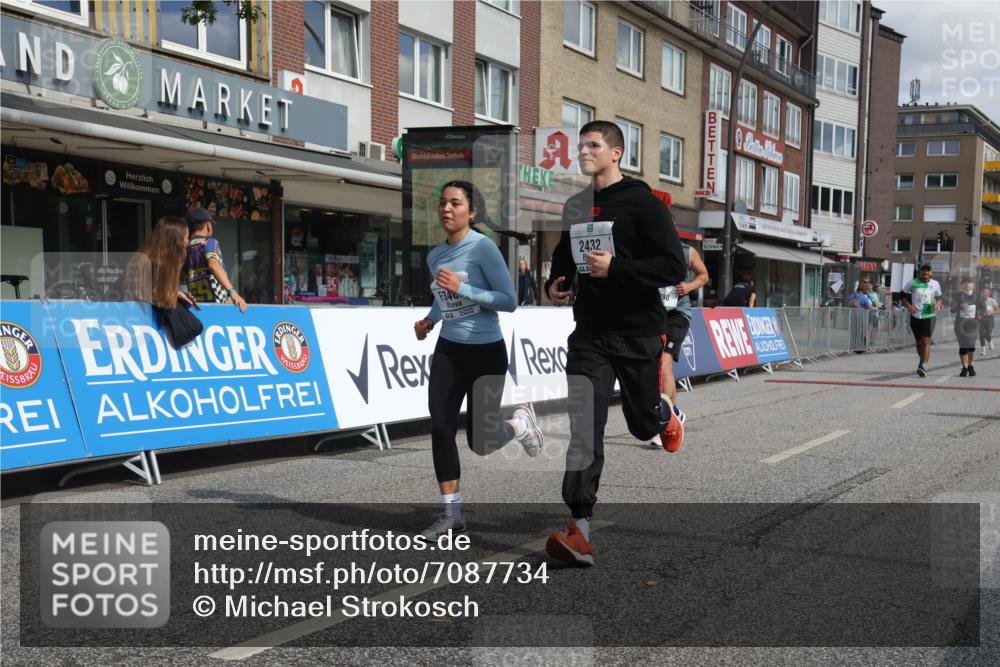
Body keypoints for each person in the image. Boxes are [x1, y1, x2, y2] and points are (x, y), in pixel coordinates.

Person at [543, 120, 686, 566]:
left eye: (593, 145)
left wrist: (617, 269)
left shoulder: (645, 205)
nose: (584, 151)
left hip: (638, 331)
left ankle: (663, 411)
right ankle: (579, 529)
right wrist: (555, 283)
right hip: (589, 333)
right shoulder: (575, 205)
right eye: (581, 145)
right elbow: (563, 259)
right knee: (585, 426)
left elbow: (672, 267)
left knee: (642, 425)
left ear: (616, 153)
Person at [413, 181, 543, 539]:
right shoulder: (434, 256)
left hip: (486, 351)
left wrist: (463, 287)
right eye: (442, 203)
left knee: (480, 441)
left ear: (471, 212)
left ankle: (520, 425)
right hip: (449, 349)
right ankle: (452, 514)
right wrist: (430, 320)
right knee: (440, 427)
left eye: (455, 203)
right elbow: (444, 300)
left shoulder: (484, 248)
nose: (446, 209)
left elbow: (508, 300)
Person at [658, 243, 709, 442]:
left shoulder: (687, 251)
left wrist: (688, 286)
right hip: (656, 314)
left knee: (664, 365)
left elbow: (704, 275)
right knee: (659, 368)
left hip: (678, 314)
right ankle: (673, 412)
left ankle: (667, 419)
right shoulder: (649, 250)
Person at [183, 207, 248, 312]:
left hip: (196, 308)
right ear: (208, 225)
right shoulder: (209, 243)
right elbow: (213, 265)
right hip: (217, 307)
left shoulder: (184, 251)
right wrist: (233, 293)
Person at [123, 216, 195, 310]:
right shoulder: (145, 261)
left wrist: (178, 294)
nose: (188, 242)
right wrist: (174, 294)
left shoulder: (164, 261)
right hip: (138, 316)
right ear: (176, 241)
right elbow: (143, 295)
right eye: (187, 237)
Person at [900, 264, 943, 377]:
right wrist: (909, 307)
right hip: (915, 316)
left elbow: (939, 297)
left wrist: (937, 304)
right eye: (923, 272)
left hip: (929, 316)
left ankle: (924, 365)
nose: (925, 274)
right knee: (919, 343)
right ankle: (922, 360)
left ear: (931, 273)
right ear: (920, 273)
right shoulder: (913, 282)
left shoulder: (935, 284)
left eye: (928, 272)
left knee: (926, 341)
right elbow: (901, 295)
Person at [952, 279, 983, 377]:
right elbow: (952, 309)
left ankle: (970, 365)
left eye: (969, 285)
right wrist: (959, 306)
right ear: (962, 286)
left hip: (973, 325)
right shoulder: (957, 296)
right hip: (960, 325)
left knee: (970, 345)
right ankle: (964, 368)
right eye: (965, 285)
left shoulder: (977, 296)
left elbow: (984, 307)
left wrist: (980, 314)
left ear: (973, 286)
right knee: (963, 346)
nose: (967, 286)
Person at [980, 286, 997, 357]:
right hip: (981, 319)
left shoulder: (992, 301)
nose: (985, 294)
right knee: (981, 335)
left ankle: (990, 341)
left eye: (987, 292)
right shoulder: (979, 301)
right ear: (982, 293)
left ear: (989, 293)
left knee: (987, 334)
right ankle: (983, 351)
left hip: (990, 319)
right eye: (984, 292)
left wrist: (992, 311)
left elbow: (998, 309)